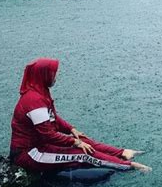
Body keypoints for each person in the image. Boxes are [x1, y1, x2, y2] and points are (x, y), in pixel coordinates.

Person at [10, 58, 151, 174]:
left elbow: (53, 118)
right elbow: (48, 135)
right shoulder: (34, 100)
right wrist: (74, 142)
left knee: (82, 139)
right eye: (53, 73)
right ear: (44, 75)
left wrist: (72, 130)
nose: (56, 76)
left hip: (41, 144)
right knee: (82, 153)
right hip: (29, 153)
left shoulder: (40, 92)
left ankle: (122, 153)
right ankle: (129, 166)